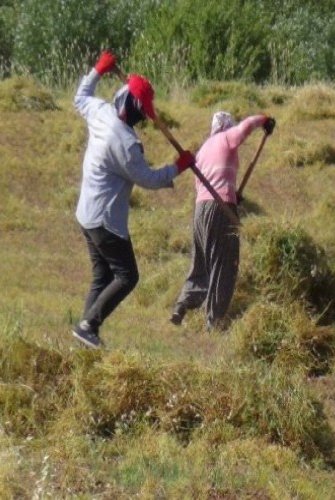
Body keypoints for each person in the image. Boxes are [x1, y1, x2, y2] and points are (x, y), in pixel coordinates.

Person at [72, 50, 195, 348]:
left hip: (86, 212)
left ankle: (85, 333)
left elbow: (80, 96)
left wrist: (97, 70)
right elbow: (148, 179)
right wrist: (179, 167)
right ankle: (89, 325)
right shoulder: (126, 143)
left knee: (102, 276)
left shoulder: (100, 111)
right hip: (105, 220)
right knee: (127, 276)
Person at [170, 111, 275, 330]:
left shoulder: (203, 149)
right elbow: (245, 128)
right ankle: (214, 321)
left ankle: (182, 304)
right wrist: (263, 120)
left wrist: (234, 196)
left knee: (200, 262)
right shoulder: (226, 138)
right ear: (226, 126)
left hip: (200, 210)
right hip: (220, 208)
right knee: (224, 262)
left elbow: (209, 183)